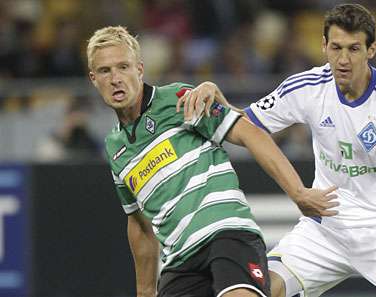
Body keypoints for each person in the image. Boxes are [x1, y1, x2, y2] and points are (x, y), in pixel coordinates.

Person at [179, 4, 376, 297]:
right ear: (323, 46)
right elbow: (246, 127)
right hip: (324, 230)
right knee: (258, 290)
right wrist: (216, 96)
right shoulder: (308, 87)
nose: (343, 59)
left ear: (372, 50)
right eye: (336, 48)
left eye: (354, 49)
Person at [86, 26, 339, 297]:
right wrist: (145, 292)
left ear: (140, 69)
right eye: (105, 71)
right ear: (93, 78)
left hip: (226, 233)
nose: (115, 78)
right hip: (179, 261)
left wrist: (298, 191)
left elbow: (250, 133)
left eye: (123, 67)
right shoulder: (115, 149)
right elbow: (137, 223)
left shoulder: (178, 99)